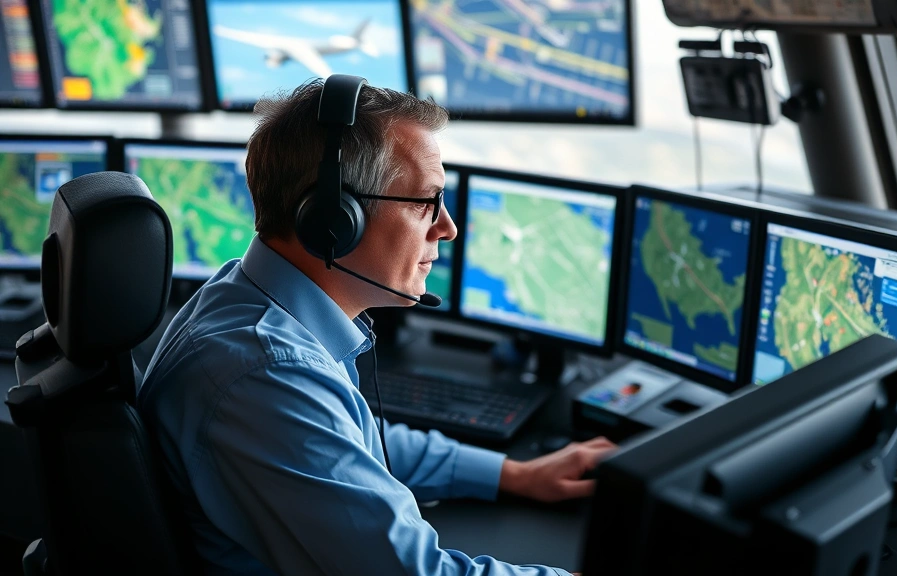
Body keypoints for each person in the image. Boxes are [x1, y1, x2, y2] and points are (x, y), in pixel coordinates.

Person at [138, 79, 615, 576]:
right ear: (333, 220)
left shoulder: (243, 298)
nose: (447, 226)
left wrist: (512, 474)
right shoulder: (268, 375)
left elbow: (348, 441)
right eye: (424, 202)